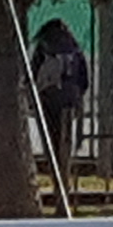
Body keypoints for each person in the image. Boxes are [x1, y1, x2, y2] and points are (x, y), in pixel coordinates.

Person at [27, 18, 92, 169]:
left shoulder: (44, 46)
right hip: (71, 96)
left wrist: (33, 94)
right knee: (66, 133)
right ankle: (65, 164)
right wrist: (79, 94)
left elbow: (34, 71)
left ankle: (53, 162)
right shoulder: (74, 48)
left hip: (48, 95)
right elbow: (84, 77)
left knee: (50, 132)